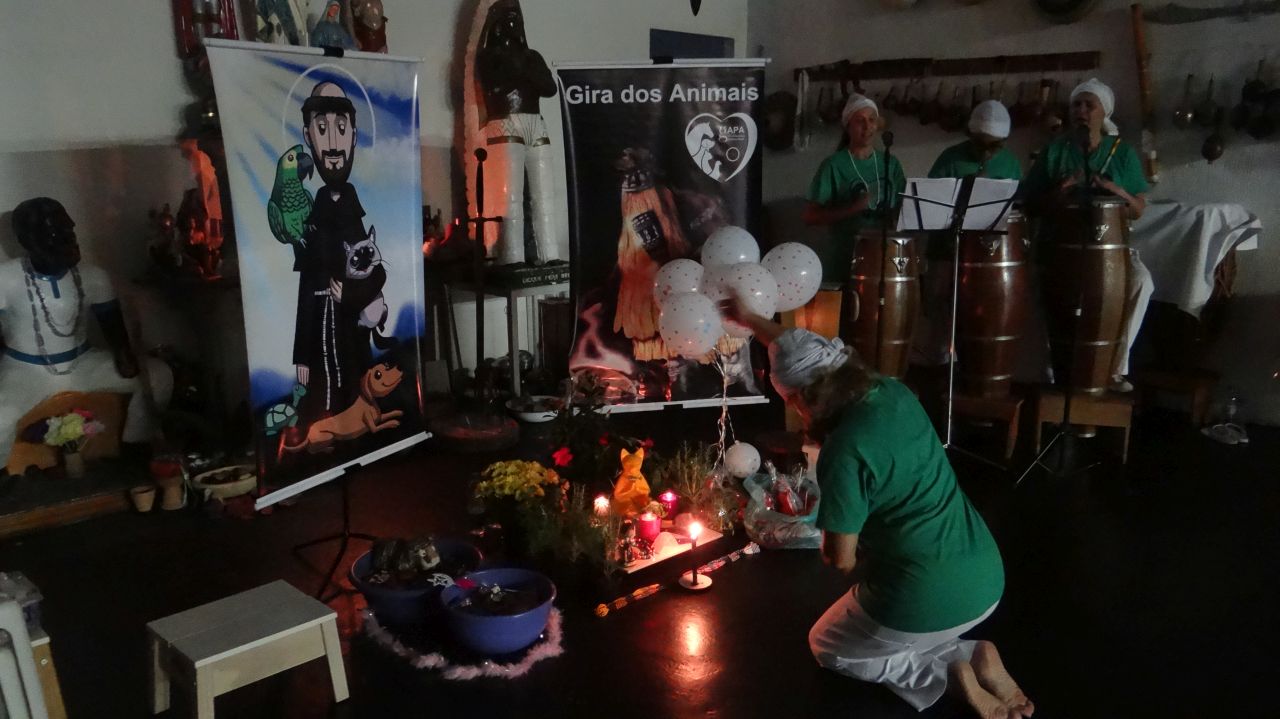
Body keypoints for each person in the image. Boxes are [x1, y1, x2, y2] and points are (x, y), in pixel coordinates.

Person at [720, 296, 1033, 719]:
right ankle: (971, 653)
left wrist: (830, 524)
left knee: (828, 645)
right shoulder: (893, 392)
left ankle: (943, 676)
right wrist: (750, 318)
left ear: (805, 399)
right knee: (907, 629)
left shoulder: (843, 450)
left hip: (922, 593)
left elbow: (841, 560)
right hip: (986, 576)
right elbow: (801, 349)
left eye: (792, 400)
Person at [0, 198, 171, 467]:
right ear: (28, 241)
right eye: (56, 234)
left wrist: (125, 356)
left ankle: (134, 447)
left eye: (69, 230)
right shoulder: (6, 278)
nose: (69, 240)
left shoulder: (94, 277)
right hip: (26, 370)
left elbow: (113, 329)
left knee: (159, 375)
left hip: (82, 363)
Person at [1021, 78, 1151, 392]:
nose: (1081, 110)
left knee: (1141, 282)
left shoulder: (1121, 153)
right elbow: (1030, 204)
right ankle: (1049, 369)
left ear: (1104, 113)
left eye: (1088, 105)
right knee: (1038, 290)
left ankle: (1114, 367)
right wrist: (1062, 188)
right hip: (1059, 250)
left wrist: (1116, 190)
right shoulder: (1055, 151)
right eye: (1076, 105)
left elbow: (1137, 209)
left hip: (1109, 253)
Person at [915, 100, 1022, 365]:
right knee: (939, 310)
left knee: (978, 315)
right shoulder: (951, 158)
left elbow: (1016, 209)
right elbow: (931, 203)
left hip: (986, 258)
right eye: (980, 144)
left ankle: (975, 368)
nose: (986, 152)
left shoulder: (1010, 163)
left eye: (993, 146)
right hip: (946, 251)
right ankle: (938, 367)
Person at [296, 81, 366, 417]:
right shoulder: (313, 215)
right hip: (320, 329)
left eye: (341, 128)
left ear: (353, 135)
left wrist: (363, 302)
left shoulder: (354, 210)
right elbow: (306, 286)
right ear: (308, 136)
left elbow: (372, 271)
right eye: (322, 129)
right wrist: (301, 355)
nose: (334, 144)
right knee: (322, 400)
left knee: (355, 386)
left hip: (352, 326)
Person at [476, 0, 560, 265]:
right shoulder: (489, 56)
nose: (513, 23)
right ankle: (512, 256)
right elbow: (494, 86)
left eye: (516, 18)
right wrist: (521, 70)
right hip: (504, 120)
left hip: (535, 121)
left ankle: (550, 254)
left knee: (545, 195)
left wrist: (523, 68)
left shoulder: (531, 56)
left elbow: (550, 88)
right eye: (508, 18)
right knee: (509, 197)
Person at [803, 93, 907, 284]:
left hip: (885, 258)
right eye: (860, 121)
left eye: (872, 120)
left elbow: (904, 205)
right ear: (848, 126)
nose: (867, 127)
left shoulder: (890, 163)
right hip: (846, 258)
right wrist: (853, 208)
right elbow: (811, 216)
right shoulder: (834, 165)